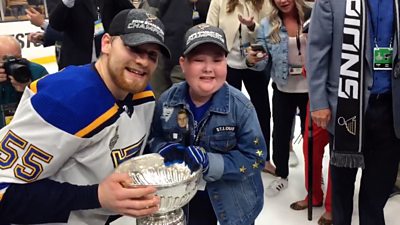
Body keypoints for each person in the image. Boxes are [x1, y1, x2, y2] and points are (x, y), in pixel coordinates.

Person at [0, 8, 171, 224]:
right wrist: (96, 196)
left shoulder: (143, 94)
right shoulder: (63, 100)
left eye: (152, 55)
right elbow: (4, 193)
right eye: (134, 48)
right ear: (106, 43)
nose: (143, 61)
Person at [150, 23, 267, 225]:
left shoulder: (241, 108)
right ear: (183, 63)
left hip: (233, 207)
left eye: (217, 59)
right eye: (198, 60)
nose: (208, 68)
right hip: (185, 203)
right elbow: (154, 136)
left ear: (226, 62)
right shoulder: (167, 101)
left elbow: (255, 158)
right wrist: (162, 148)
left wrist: (210, 163)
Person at [307, 0, 400, 224]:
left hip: (391, 108)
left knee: (377, 191)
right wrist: (318, 101)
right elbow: (318, 49)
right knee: (341, 191)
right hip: (346, 107)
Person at [248, 0, 311, 196]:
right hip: (283, 87)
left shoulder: (313, 17)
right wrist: (252, 60)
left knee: (312, 136)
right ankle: (281, 175)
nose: (282, 0)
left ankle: (314, 177)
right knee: (281, 134)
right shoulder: (267, 24)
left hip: (312, 88)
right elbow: (261, 63)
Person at [206, 0, 273, 178]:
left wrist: (252, 26)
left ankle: (264, 158)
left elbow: (268, 32)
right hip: (227, 64)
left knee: (262, 111)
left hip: (255, 64)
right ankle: (229, 156)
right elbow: (210, 30)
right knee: (226, 112)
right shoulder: (219, 1)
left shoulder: (264, 3)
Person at [0, 35, 48, 128]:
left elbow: (49, 109)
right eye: (6, 60)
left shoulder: (37, 72)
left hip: (29, 131)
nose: (14, 63)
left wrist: (27, 90)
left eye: (18, 58)